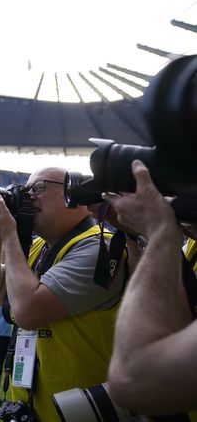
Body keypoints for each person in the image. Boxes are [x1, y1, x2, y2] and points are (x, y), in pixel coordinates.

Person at [0, 167, 124, 421]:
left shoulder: (99, 247)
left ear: (76, 195)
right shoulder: (39, 248)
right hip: (34, 408)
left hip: (82, 410)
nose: (28, 196)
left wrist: (9, 234)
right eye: (26, 189)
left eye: (39, 188)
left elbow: (27, 312)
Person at [102, 160, 197, 415]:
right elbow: (177, 323)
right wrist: (142, 232)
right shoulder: (192, 247)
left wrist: (160, 230)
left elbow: (133, 379)